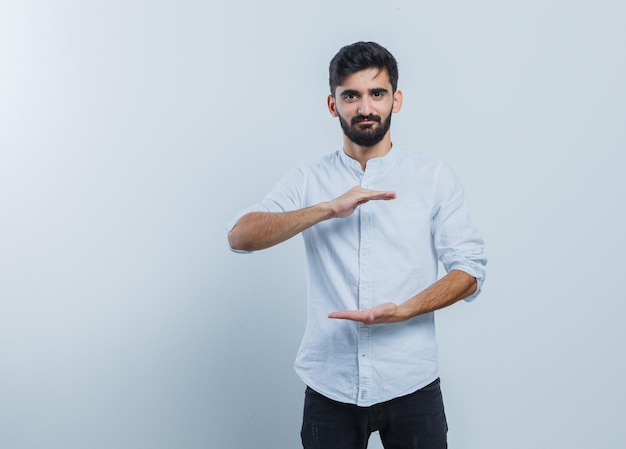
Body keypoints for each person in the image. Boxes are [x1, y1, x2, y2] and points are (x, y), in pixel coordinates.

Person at [227, 41, 487, 449]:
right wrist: (328, 208)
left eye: (376, 93)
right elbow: (240, 237)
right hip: (329, 386)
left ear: (395, 100)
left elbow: (469, 272)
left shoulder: (434, 176)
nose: (365, 107)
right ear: (333, 105)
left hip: (411, 382)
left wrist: (404, 310)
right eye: (351, 95)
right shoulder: (309, 178)